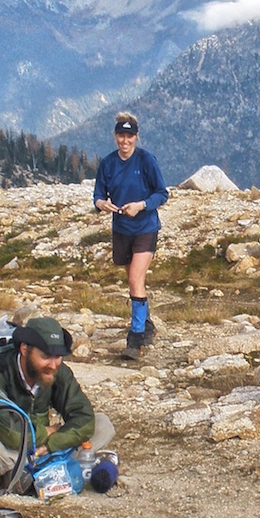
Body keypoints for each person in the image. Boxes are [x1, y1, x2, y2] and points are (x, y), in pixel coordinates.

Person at [93, 111, 168, 359]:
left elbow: (161, 193)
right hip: (121, 228)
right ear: (115, 136)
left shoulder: (146, 160)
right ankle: (146, 324)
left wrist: (141, 205)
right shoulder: (108, 163)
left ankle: (135, 340)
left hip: (146, 227)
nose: (125, 141)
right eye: (121, 136)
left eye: (129, 136)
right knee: (133, 281)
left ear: (136, 137)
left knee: (136, 279)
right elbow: (98, 195)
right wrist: (102, 204)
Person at [0, 316, 109, 456]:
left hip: (43, 447)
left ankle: (46, 464)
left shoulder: (56, 371)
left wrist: (52, 444)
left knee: (103, 425)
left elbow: (84, 417)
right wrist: (47, 432)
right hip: (11, 447)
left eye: (58, 356)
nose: (53, 365)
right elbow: (10, 432)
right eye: (46, 356)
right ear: (24, 350)